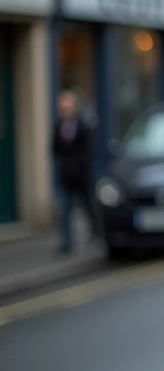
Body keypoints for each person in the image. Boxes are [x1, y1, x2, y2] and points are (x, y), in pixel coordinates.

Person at [51, 90, 99, 254]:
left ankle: (96, 234)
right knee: (65, 210)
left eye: (67, 107)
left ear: (73, 107)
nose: (65, 110)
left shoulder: (83, 126)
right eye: (62, 107)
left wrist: (80, 166)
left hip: (82, 175)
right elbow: (54, 149)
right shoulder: (58, 126)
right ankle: (66, 242)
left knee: (88, 206)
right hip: (66, 176)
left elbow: (89, 149)